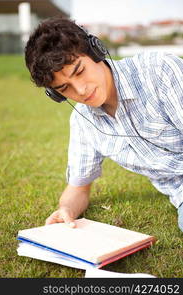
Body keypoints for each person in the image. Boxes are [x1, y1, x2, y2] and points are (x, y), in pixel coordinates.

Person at [25, 16, 183, 232]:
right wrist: (67, 210)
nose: (80, 90)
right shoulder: (83, 122)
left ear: (95, 51)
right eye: (65, 88)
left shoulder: (160, 71)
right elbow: (78, 189)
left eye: (79, 71)